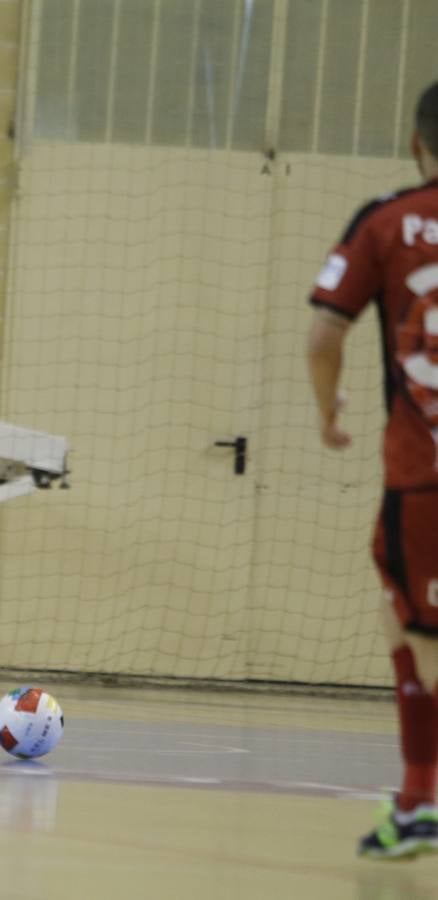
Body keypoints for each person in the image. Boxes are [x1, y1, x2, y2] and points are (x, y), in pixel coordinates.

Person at [308, 81, 438, 859]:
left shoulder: (387, 221)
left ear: (417, 143)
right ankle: (418, 797)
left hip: (424, 476)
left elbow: (325, 333)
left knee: (422, 635)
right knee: (400, 616)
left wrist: (327, 414)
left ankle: (423, 798)